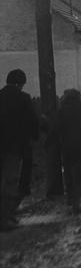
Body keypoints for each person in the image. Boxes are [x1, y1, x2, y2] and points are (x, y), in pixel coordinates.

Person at [0, 69, 39, 230]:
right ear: (19, 83)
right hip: (15, 148)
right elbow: (32, 122)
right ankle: (4, 218)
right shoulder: (24, 99)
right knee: (10, 182)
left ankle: (7, 215)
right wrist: (35, 136)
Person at [53, 89, 81, 213]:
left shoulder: (61, 111)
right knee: (79, 174)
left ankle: (70, 197)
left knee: (68, 173)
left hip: (66, 147)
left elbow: (56, 129)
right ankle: (76, 203)